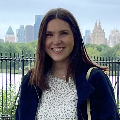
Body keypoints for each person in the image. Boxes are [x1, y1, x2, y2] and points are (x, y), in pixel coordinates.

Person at [15, 8, 119, 120]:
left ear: (75, 37)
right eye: (49, 35)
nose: (56, 41)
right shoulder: (31, 82)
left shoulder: (95, 80)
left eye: (63, 33)